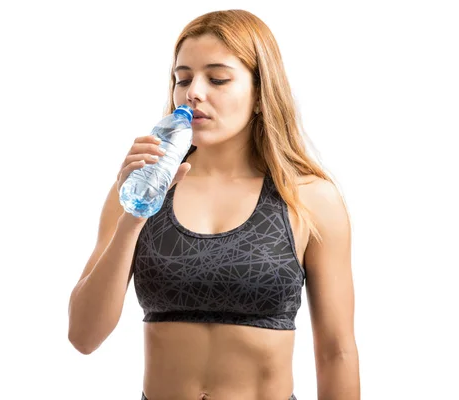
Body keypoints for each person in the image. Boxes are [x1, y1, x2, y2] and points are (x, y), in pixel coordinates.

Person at [68, 9, 360, 400]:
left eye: (217, 78)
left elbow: (336, 351)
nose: (193, 92)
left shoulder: (308, 198)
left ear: (260, 93)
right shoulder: (137, 189)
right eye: (183, 78)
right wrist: (133, 217)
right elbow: (83, 337)